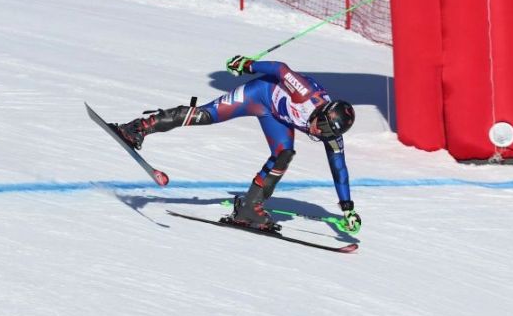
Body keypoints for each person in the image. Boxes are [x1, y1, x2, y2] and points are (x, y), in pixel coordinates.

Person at [113, 56, 362, 233]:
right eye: (321, 126)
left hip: (276, 116)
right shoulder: (305, 94)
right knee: (205, 115)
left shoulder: (330, 133)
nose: (318, 132)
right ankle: (136, 129)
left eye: (326, 133)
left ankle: (249, 207)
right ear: (323, 112)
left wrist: (347, 208)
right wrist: (246, 64)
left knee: (284, 154)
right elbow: (280, 69)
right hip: (259, 94)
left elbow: (339, 167)